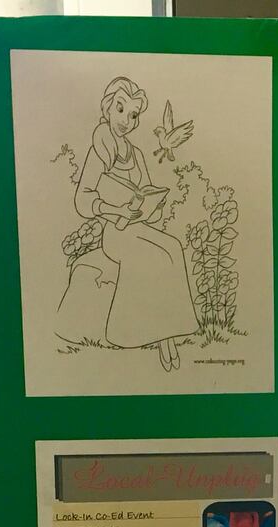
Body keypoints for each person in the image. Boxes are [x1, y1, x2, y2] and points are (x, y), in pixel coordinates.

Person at [71, 76, 197, 372]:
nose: (126, 120)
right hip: (115, 232)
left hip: (137, 226)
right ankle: (157, 338)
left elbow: (144, 198)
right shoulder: (99, 147)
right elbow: (82, 199)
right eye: (120, 109)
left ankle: (170, 331)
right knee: (153, 257)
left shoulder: (138, 154)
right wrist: (114, 210)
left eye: (133, 114)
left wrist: (152, 205)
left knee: (173, 247)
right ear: (107, 108)